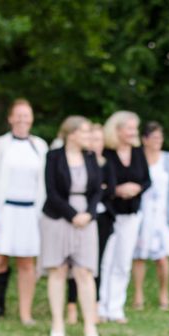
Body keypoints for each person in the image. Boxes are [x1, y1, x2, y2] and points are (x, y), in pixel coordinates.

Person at [0, 99, 48, 324]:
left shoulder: (40, 146)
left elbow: (44, 183)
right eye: (19, 115)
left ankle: (26, 312)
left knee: (26, 263)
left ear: (32, 118)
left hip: (29, 213)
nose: (23, 120)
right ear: (10, 118)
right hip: (4, 210)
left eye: (27, 115)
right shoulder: (0, 145)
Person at [40, 116, 102, 336]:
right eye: (85, 133)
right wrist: (71, 215)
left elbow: (97, 190)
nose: (89, 137)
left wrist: (88, 214)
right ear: (72, 134)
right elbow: (51, 191)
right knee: (57, 270)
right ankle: (58, 322)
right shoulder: (53, 157)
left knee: (84, 272)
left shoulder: (90, 157)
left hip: (86, 218)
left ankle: (89, 326)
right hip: (58, 217)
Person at [98, 111, 151, 323]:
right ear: (117, 130)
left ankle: (115, 308)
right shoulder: (106, 153)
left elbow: (147, 180)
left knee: (123, 262)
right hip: (110, 215)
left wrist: (136, 188)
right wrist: (117, 190)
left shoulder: (138, 152)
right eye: (129, 128)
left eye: (134, 128)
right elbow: (99, 183)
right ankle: (100, 307)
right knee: (106, 261)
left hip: (132, 214)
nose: (133, 132)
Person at [132, 121, 169, 311]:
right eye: (154, 137)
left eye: (160, 137)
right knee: (138, 256)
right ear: (144, 140)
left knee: (162, 257)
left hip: (163, 214)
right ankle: (138, 295)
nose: (158, 141)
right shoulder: (136, 157)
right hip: (141, 214)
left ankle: (164, 293)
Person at [65, 123, 116, 325]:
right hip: (78, 214)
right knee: (72, 262)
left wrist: (100, 189)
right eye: (93, 139)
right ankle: (71, 305)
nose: (96, 143)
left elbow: (109, 189)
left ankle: (93, 305)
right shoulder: (82, 162)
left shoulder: (106, 164)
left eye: (100, 139)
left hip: (101, 218)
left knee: (95, 264)